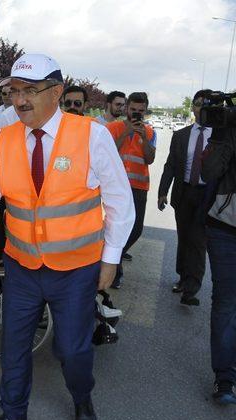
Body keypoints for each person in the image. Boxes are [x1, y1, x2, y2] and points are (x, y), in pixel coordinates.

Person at [0, 53, 134, 420]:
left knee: (73, 349)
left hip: (76, 270)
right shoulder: (4, 138)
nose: (20, 100)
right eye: (15, 90)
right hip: (21, 266)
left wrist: (111, 259)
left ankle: (82, 399)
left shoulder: (91, 135)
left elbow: (119, 200)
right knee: (14, 344)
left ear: (57, 92)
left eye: (30, 91)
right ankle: (14, 413)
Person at [158, 89, 212, 306]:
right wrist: (163, 191)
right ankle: (182, 277)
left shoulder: (221, 136)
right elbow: (170, 165)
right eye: (198, 103)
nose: (201, 107)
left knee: (198, 241)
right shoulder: (181, 136)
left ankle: (191, 288)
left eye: (206, 104)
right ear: (193, 108)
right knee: (184, 238)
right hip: (184, 193)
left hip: (206, 196)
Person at [201, 125, 236, 406]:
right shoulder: (229, 132)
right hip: (225, 230)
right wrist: (225, 133)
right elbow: (209, 172)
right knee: (226, 302)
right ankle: (225, 376)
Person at [106, 92, 156, 288]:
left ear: (145, 111)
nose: (136, 114)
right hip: (115, 186)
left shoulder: (149, 131)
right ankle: (114, 271)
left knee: (136, 230)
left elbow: (150, 159)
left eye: (140, 111)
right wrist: (126, 133)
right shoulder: (113, 128)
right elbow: (108, 154)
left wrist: (143, 138)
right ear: (126, 108)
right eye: (133, 110)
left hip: (138, 188)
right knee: (113, 227)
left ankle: (113, 257)